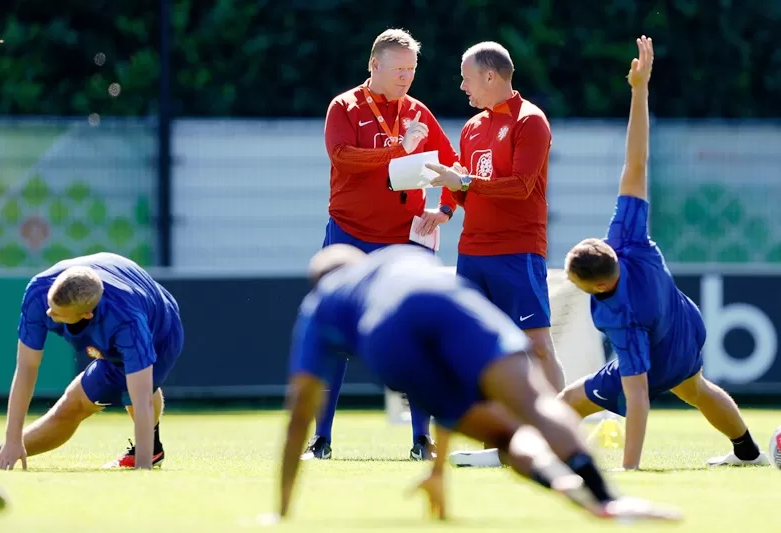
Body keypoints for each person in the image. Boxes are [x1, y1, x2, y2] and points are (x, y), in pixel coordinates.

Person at [277, 243, 682, 523]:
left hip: (385, 334)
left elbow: (299, 413)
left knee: (504, 437)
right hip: (450, 301)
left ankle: (566, 486)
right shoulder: (396, 255)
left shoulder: (321, 302)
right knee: (537, 406)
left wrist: (281, 509)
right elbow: (430, 316)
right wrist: (437, 470)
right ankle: (606, 497)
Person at [556, 36, 769, 470]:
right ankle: (749, 452)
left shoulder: (618, 314)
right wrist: (639, 89)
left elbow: (638, 397)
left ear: (599, 285)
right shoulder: (628, 240)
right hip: (685, 330)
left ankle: (533, 453)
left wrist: (629, 469)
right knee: (698, 390)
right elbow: (636, 164)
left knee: (566, 402)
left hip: (653, 353)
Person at [306, 27, 461, 462]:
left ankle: (421, 440)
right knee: (334, 334)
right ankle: (320, 439)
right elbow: (342, 157)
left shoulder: (417, 111)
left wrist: (445, 210)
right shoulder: (345, 106)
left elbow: (452, 165)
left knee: (420, 335)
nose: (406, 78)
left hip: (404, 240)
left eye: (412, 70)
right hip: (349, 235)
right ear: (374, 65)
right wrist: (397, 151)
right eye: (399, 70)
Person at [424, 41, 563, 468]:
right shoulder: (471, 128)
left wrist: (463, 182)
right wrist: (447, 206)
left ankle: (561, 435)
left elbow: (520, 186)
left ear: (491, 76)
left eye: (467, 77)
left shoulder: (531, 121)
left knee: (537, 346)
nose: (462, 86)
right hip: (473, 252)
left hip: (518, 249)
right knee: (477, 350)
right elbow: (466, 185)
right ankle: (496, 443)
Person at [0, 252, 183, 471]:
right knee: (70, 406)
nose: (48, 313)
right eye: (49, 305)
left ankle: (149, 452)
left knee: (131, 392)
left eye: (57, 313)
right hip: (122, 304)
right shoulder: (39, 291)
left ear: (86, 314)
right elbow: (27, 367)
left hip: (160, 332)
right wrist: (12, 440)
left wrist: (143, 471)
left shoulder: (128, 324)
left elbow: (142, 399)